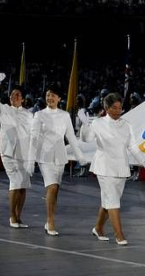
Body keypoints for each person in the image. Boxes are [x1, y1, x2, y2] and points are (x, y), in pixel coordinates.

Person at [78, 92, 145, 245]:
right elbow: (87, 139)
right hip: (104, 167)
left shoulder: (126, 125)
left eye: (120, 108)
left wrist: (144, 161)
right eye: (114, 108)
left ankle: (98, 228)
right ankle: (120, 235)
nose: (118, 111)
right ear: (106, 108)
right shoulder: (98, 123)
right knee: (113, 202)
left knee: (109, 202)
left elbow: (132, 146)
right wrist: (85, 126)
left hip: (121, 167)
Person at [26, 85, 86, 236]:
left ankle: (49, 219)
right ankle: (50, 220)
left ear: (59, 98)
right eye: (48, 95)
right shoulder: (39, 115)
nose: (50, 98)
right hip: (44, 155)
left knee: (55, 189)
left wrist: (80, 156)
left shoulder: (65, 115)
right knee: (52, 187)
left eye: (53, 95)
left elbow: (71, 137)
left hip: (60, 156)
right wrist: (30, 160)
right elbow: (33, 138)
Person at [0, 73, 33, 228]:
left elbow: (34, 134)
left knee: (23, 186)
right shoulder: (4, 109)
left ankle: (18, 217)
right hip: (8, 152)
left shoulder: (29, 114)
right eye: (12, 95)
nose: (14, 96)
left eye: (18, 95)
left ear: (23, 99)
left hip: (24, 154)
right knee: (15, 181)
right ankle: (11, 217)